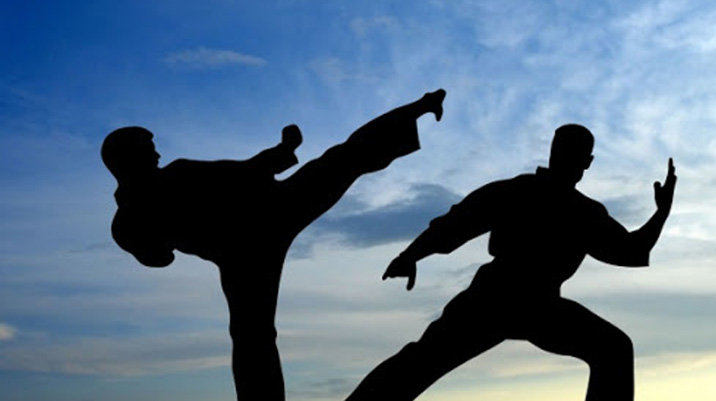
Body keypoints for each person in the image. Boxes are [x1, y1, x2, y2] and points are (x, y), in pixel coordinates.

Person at [101, 89, 446, 401]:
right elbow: (159, 256)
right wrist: (283, 152)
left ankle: (419, 107)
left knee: (342, 160)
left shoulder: (165, 184)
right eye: (148, 150)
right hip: (247, 249)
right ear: (126, 160)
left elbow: (241, 173)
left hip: (273, 211)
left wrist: (284, 151)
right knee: (252, 335)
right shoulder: (132, 217)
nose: (157, 154)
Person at [346, 124, 677, 401]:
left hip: (538, 304)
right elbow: (456, 223)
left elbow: (630, 250)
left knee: (614, 348)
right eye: (567, 151)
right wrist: (411, 255)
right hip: (494, 298)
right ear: (567, 156)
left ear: (586, 161)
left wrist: (661, 213)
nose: (571, 159)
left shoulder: (582, 211)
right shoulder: (524, 193)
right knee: (420, 362)